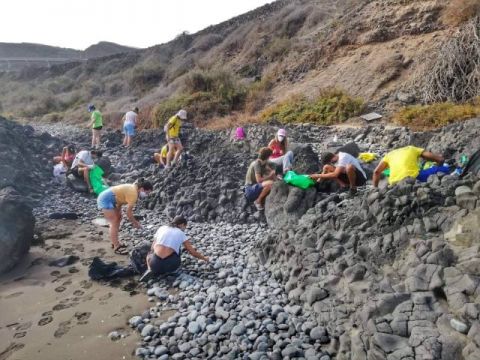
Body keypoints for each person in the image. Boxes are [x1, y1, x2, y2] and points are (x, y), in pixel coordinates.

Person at [96, 179, 153, 255]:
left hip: (112, 198)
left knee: (118, 219)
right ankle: (116, 246)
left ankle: (115, 242)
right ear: (142, 189)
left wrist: (118, 211)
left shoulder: (134, 187)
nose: (146, 195)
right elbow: (128, 213)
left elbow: (120, 197)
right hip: (105, 199)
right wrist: (135, 223)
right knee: (113, 223)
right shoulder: (133, 194)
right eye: (147, 192)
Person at [144, 216, 209, 277]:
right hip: (171, 265)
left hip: (155, 264)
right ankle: (171, 271)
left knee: (150, 253)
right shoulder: (181, 233)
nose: (184, 228)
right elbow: (192, 252)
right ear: (182, 224)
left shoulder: (162, 228)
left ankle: (150, 269)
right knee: (178, 249)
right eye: (185, 226)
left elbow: (152, 247)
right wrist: (205, 258)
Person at [373, 146, 445, 187]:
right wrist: (439, 161)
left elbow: (376, 172)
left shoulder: (389, 155)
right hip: (413, 178)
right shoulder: (411, 148)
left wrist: (375, 188)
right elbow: (433, 157)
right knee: (444, 169)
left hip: (394, 184)